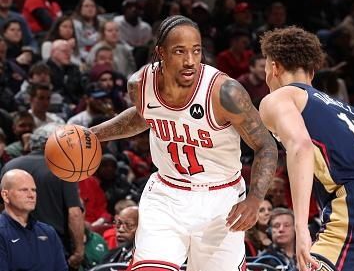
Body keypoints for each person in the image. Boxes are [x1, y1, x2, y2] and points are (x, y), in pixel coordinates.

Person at [91, 15, 278, 270]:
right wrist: (93, 135)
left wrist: (255, 199)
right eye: (179, 51)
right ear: (161, 53)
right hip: (166, 195)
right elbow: (144, 115)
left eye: (196, 51)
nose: (190, 61)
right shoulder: (140, 84)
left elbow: (265, 145)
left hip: (220, 199)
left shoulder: (225, 92)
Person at [259, 26, 354, 271]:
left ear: (275, 67)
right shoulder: (351, 111)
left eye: (266, 67)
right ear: (312, 71)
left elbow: (300, 146)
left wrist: (301, 227)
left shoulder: (280, 98)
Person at [1, 123, 85, 270]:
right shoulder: (64, 169)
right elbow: (74, 213)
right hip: (54, 241)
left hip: (24, 236)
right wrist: (79, 251)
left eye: (33, 190)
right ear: (52, 143)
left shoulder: (10, 166)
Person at [0, 169, 68, 270]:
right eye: (24, 190)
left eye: (33, 190)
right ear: (5, 195)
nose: (31, 195)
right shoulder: (2, 233)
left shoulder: (49, 232)